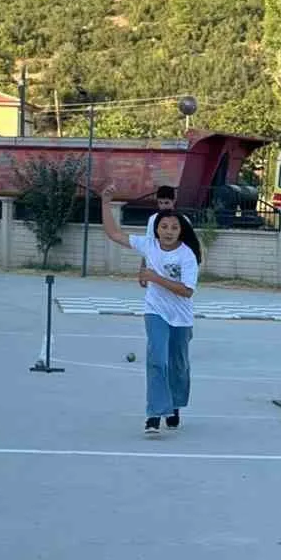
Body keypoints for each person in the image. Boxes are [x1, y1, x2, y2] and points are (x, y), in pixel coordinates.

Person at [100, 186, 202, 434]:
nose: (168, 232)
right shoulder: (149, 245)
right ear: (156, 229)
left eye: (174, 228)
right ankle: (155, 413)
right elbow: (114, 233)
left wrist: (155, 277)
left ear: (181, 231)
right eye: (164, 227)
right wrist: (105, 202)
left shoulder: (187, 256)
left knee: (178, 365)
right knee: (157, 360)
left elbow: (187, 291)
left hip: (181, 317)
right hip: (155, 311)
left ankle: (175, 405)